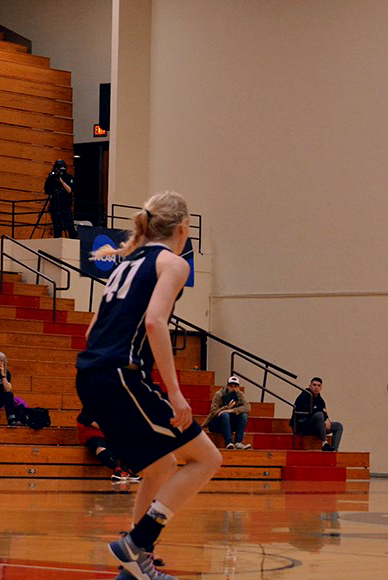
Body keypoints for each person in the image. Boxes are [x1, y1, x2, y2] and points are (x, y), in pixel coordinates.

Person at [75, 191, 221, 579]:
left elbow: (93, 328)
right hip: (120, 373)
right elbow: (156, 322)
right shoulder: (172, 263)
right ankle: (137, 542)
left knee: (161, 466)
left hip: (92, 374)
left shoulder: (126, 263)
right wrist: (175, 393)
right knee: (207, 459)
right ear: (184, 229)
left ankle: (136, 567)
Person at [76, 408, 139, 483]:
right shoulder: (89, 409)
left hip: (109, 437)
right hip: (94, 436)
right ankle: (117, 470)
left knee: (127, 443)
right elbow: (84, 418)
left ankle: (126, 470)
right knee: (100, 446)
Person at [292, 377, 344, 451]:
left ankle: (334, 450)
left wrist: (327, 418)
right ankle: (324, 443)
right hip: (303, 425)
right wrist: (321, 411)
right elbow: (309, 410)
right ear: (310, 386)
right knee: (319, 415)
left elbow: (324, 412)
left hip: (316, 426)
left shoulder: (320, 400)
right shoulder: (303, 396)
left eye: (319, 385)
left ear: (321, 388)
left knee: (338, 426)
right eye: (314, 385)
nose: (316, 387)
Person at [202, 376, 253, 450]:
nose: (233, 388)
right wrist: (226, 408)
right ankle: (229, 443)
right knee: (225, 415)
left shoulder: (240, 395)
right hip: (217, 423)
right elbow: (213, 412)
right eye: (231, 386)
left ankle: (238, 442)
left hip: (230, 424)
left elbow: (247, 407)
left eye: (235, 386)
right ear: (227, 386)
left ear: (238, 387)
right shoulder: (219, 394)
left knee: (243, 415)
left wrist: (231, 410)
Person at [0, 352, 22, 426]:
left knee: (9, 395)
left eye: (2, 361)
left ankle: (11, 420)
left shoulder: (6, 373)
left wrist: (3, 375)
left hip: (0, 398)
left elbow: (8, 389)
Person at [44, 160, 77, 239]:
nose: (60, 172)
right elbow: (47, 190)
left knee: (70, 226)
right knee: (57, 226)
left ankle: (72, 240)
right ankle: (58, 241)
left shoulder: (68, 177)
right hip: (55, 205)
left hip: (66, 206)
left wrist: (61, 182)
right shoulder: (52, 178)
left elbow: (69, 190)